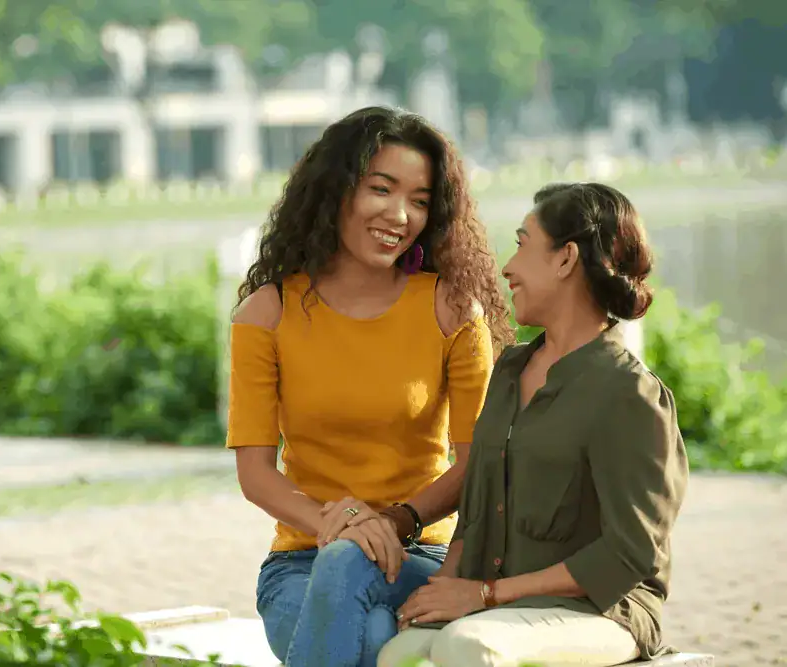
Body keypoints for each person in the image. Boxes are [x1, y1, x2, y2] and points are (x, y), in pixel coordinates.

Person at [225, 106, 514, 667]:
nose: (399, 214)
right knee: (373, 626)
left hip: (424, 556)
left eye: (420, 200)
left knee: (349, 573)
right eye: (380, 189)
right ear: (335, 189)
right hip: (299, 563)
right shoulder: (267, 312)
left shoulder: (450, 310)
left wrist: (396, 520)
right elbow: (256, 474)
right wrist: (339, 523)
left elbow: (477, 463)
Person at [379, 182, 690, 667]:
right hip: (502, 605)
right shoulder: (509, 371)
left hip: (606, 611)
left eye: (523, 244)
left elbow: (630, 553)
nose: (507, 266)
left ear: (566, 259)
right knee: (402, 652)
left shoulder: (629, 395)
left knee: (470, 647)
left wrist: (483, 595)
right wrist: (444, 591)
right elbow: (479, 505)